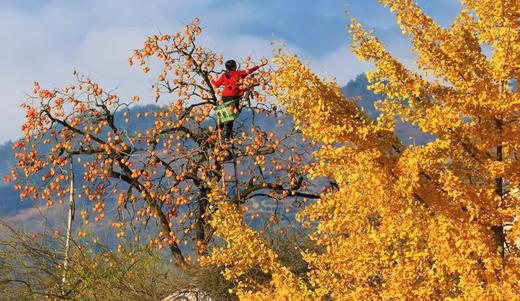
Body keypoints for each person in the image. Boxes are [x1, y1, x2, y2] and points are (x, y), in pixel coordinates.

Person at [211, 58, 267, 143]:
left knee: (222, 115)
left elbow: (216, 84)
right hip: (234, 98)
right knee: (230, 117)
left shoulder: (224, 75)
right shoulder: (238, 74)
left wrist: (210, 79)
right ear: (234, 67)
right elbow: (249, 71)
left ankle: (215, 134)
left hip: (224, 97)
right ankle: (227, 137)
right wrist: (259, 65)